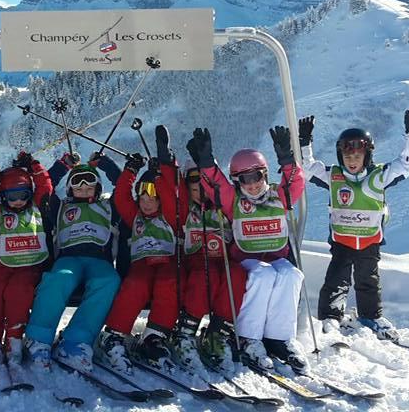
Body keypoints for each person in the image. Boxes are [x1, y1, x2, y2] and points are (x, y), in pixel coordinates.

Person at [188, 126, 307, 374]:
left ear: (265, 174)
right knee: (263, 275)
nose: (252, 185)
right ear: (237, 181)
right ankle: (248, 337)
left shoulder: (278, 196)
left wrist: (286, 159)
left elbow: (295, 182)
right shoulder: (234, 200)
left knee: (292, 275)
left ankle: (280, 338)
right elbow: (215, 184)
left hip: (277, 256)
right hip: (247, 258)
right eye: (245, 179)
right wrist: (207, 160)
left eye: (257, 177)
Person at [300, 110, 409, 341]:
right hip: (342, 242)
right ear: (340, 157)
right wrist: (304, 142)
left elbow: (405, 166)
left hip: (369, 242)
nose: (352, 161)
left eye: (357, 156)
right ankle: (329, 318)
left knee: (368, 282)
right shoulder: (334, 176)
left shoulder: (379, 176)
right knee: (336, 280)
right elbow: (307, 168)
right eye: (347, 156)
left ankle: (370, 316)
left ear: (367, 156)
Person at [154, 126, 247, 376]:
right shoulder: (185, 209)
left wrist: (208, 163)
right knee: (207, 275)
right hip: (195, 261)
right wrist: (166, 160)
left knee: (237, 275)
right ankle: (184, 332)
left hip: (223, 259)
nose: (200, 192)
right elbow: (169, 188)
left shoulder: (223, 207)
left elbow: (224, 189)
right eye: (194, 187)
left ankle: (218, 332)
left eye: (204, 186)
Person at [23, 152, 123, 373]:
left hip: (99, 259)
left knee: (108, 281)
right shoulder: (60, 207)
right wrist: (63, 165)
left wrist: (105, 164)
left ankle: (77, 340)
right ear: (70, 189)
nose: (84, 190)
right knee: (59, 279)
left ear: (98, 188)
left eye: (89, 186)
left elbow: (123, 186)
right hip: (69, 257)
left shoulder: (108, 207)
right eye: (78, 185)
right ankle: (38, 337)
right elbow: (45, 188)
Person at [95, 147, 180, 376]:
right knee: (136, 284)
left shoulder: (170, 216)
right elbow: (122, 196)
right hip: (141, 262)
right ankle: (114, 334)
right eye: (142, 199)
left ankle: (154, 336)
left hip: (166, 261)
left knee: (168, 282)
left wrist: (160, 174)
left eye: (152, 199)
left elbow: (171, 196)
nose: (146, 203)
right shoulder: (135, 217)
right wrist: (131, 170)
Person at [0, 151, 53, 380]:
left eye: (23, 194)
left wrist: (33, 165)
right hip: (4, 264)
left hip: (30, 265)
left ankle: (14, 338)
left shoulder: (37, 208)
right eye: (12, 196)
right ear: (3, 196)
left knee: (18, 291)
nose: (18, 201)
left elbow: (45, 186)